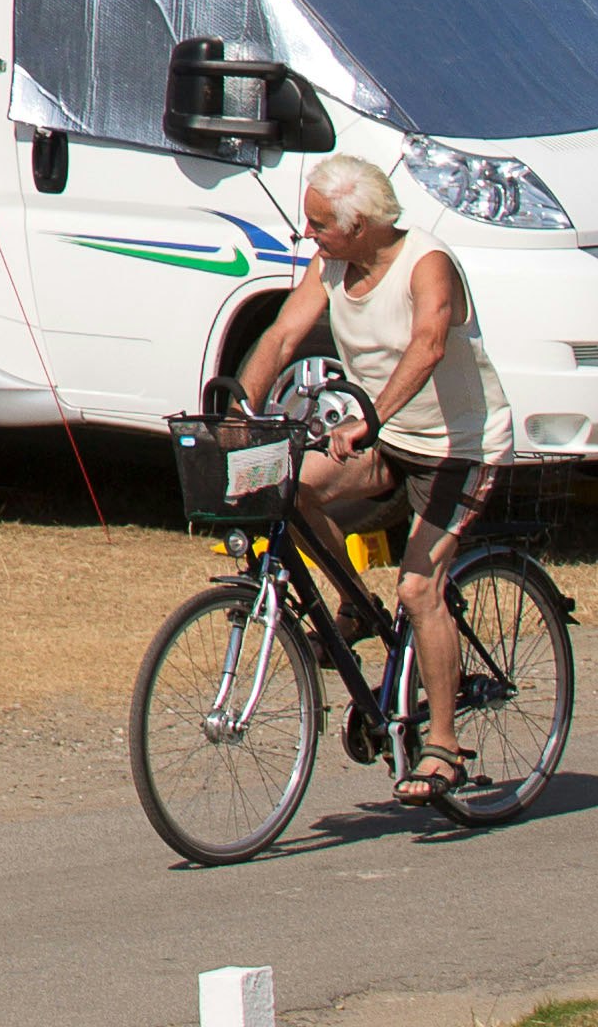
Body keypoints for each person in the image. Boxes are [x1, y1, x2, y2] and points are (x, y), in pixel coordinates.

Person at [229, 157, 504, 818]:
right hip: (387, 440)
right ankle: (353, 606)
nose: (309, 233)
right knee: (282, 487)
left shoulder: (426, 264)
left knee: (418, 587)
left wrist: (371, 417)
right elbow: (284, 332)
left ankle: (442, 746)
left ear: (361, 224)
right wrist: (238, 413)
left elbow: (430, 343)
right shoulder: (330, 266)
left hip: (456, 448)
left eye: (320, 223)